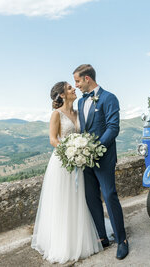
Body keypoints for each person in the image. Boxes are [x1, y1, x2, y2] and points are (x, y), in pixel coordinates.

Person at [31, 81, 102, 264]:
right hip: (63, 162)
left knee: (78, 199)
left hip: (78, 161)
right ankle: (63, 243)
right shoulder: (56, 114)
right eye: (70, 88)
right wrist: (70, 150)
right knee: (63, 200)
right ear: (62, 95)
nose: (74, 89)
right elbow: (53, 140)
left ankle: (79, 238)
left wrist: (80, 151)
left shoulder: (78, 113)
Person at [73, 64, 129, 260]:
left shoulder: (109, 98)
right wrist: (80, 150)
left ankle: (122, 240)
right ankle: (102, 238)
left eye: (78, 81)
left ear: (87, 78)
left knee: (109, 195)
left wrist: (95, 149)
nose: (77, 85)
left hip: (103, 157)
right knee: (91, 198)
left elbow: (113, 128)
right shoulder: (81, 102)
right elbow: (83, 130)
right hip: (85, 160)